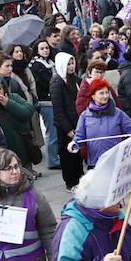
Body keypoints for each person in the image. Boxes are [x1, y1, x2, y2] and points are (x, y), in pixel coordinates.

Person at [69, 80, 131, 169]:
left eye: (106, 92)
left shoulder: (118, 113)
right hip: (95, 163)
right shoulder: (85, 116)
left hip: (115, 161)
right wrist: (74, 143)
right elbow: (80, 136)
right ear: (93, 96)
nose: (105, 96)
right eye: (101, 93)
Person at [49, 52, 85, 190]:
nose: (71, 66)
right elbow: (58, 110)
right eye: (68, 64)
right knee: (67, 155)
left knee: (77, 155)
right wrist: (68, 129)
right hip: (65, 127)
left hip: (77, 123)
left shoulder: (74, 79)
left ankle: (79, 178)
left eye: (72, 63)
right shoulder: (57, 82)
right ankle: (71, 182)